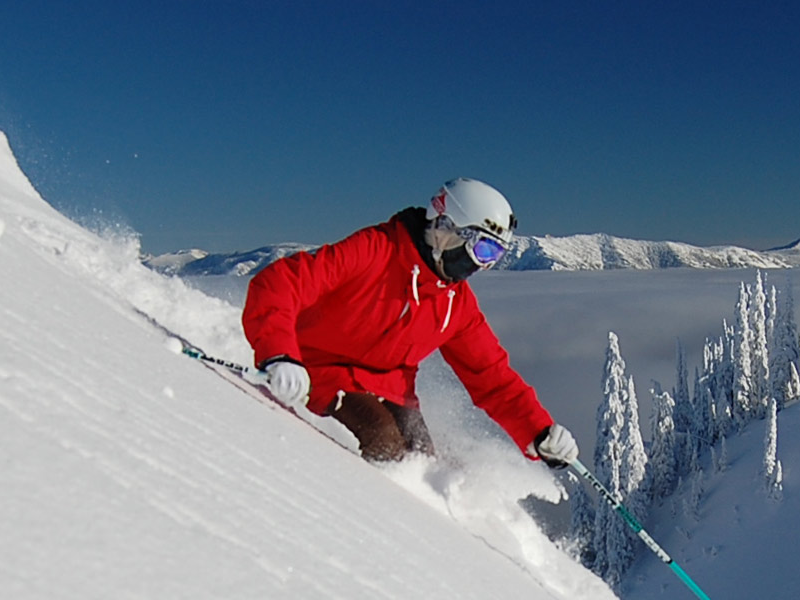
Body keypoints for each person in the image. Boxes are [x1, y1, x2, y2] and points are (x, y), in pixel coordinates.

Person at [240, 177, 578, 467]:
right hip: (321, 370)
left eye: (495, 256)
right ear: (446, 228)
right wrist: (280, 354)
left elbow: (492, 377)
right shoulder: (376, 251)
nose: (482, 266)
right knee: (384, 441)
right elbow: (278, 284)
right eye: (483, 250)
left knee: (422, 460)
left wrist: (539, 432)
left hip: (391, 390)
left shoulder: (454, 302)